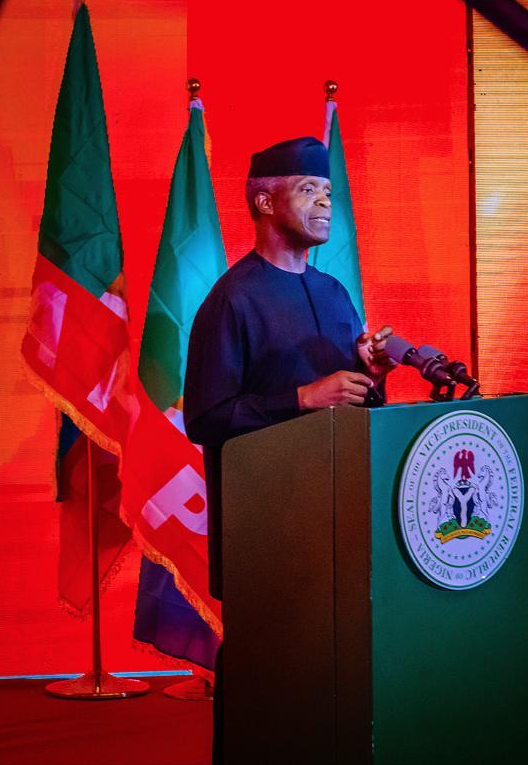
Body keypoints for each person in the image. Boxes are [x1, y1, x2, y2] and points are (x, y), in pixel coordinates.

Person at [183, 135, 394, 764]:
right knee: (266, 679)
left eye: (328, 192)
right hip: (265, 528)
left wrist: (370, 377)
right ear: (264, 202)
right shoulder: (232, 300)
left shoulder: (334, 295)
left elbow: (351, 405)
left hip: (336, 519)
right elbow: (206, 418)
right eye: (308, 190)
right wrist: (301, 397)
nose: (326, 203)